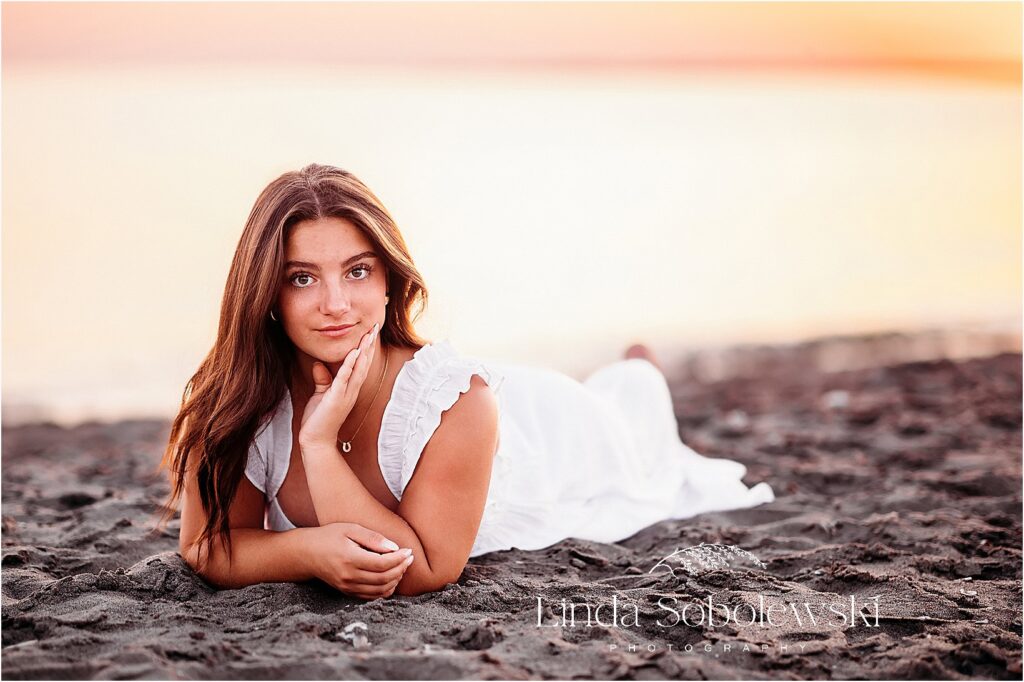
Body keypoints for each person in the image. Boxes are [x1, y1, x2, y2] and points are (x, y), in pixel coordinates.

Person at [162, 163, 774, 599]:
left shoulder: (457, 400)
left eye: (356, 272)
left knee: (634, 426)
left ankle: (639, 369)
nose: (335, 304)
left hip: (550, 434)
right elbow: (208, 546)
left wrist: (319, 447)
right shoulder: (242, 400)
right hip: (510, 420)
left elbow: (424, 567)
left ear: (388, 282)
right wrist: (308, 551)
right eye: (301, 278)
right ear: (265, 293)